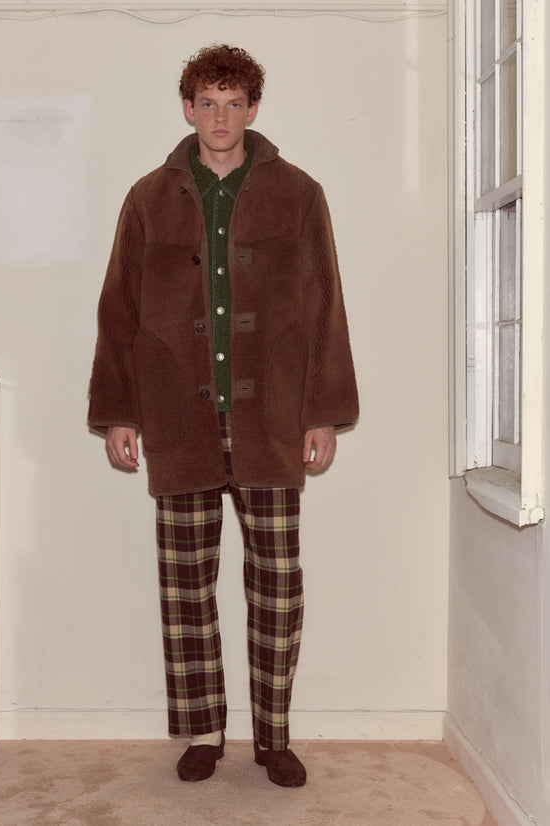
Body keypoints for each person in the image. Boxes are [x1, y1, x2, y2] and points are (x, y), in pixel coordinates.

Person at [88, 44, 358, 787]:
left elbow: (326, 306)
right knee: (186, 589)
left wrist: (323, 412)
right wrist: (119, 412)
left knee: (276, 586)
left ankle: (273, 736)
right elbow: (118, 311)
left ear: (254, 110)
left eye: (234, 103)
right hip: (179, 421)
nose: (220, 117)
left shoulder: (299, 195)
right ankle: (204, 731)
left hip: (271, 420)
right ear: (186, 107)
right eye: (207, 102)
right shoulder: (147, 198)